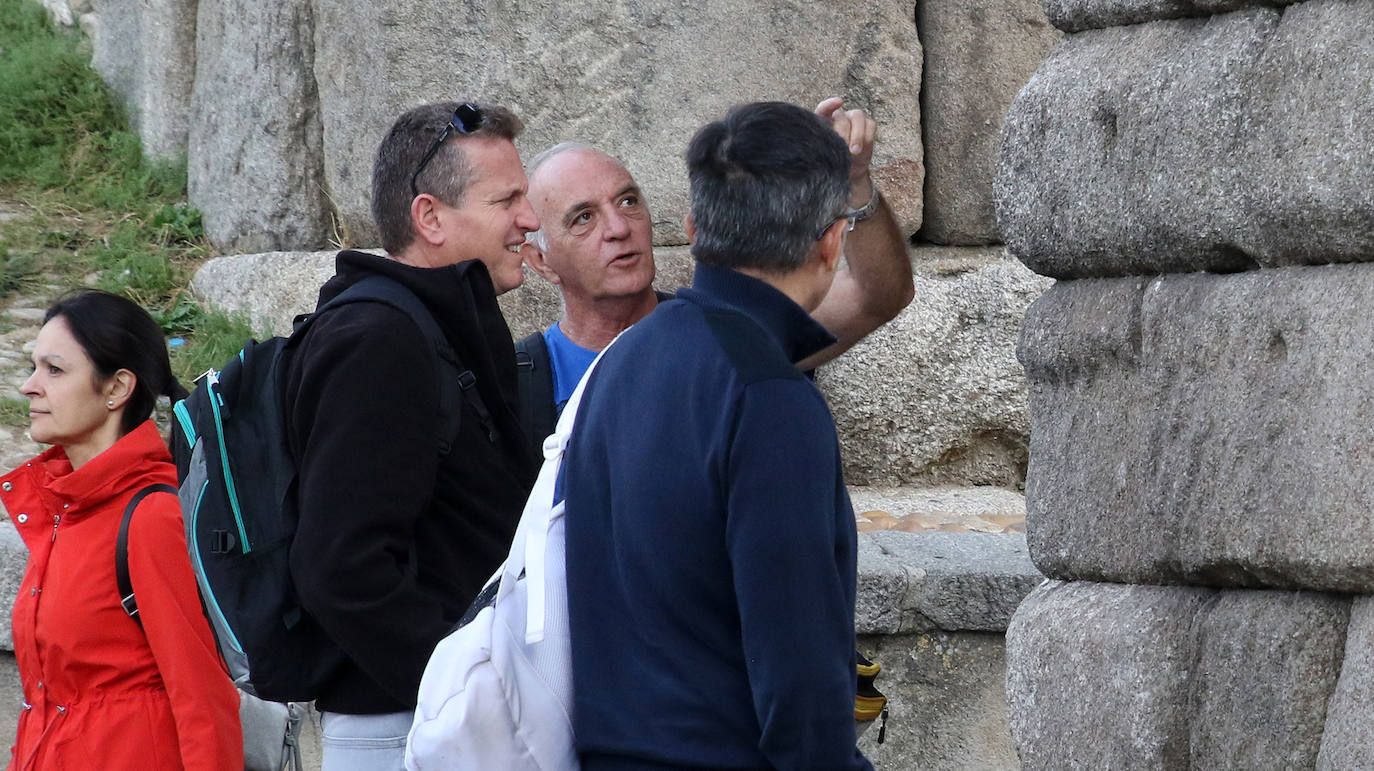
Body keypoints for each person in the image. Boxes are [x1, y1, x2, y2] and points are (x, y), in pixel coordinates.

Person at [563, 101, 874, 769]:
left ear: (694, 227)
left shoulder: (621, 364)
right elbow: (801, 686)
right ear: (829, 243)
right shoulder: (769, 399)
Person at [279, 100, 539, 770]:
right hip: (406, 729)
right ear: (430, 217)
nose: (529, 220)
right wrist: (459, 682)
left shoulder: (434, 327)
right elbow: (340, 564)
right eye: (507, 199)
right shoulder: (378, 340)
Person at [516, 97, 913, 451]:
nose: (619, 227)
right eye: (583, 218)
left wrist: (852, 181)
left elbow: (876, 295)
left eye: (628, 201)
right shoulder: (516, 383)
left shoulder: (734, 334)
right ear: (540, 261)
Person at [1, 290, 242, 771]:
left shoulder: (151, 516)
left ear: (117, 388)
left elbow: (203, 697)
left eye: (54, 370)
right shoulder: (64, 513)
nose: (29, 386)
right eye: (33, 367)